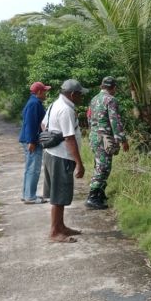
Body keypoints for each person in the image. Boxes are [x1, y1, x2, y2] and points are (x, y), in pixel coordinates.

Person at [42, 79, 87, 242]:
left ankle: (61, 226)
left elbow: (43, 125)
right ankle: (54, 232)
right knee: (59, 195)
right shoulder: (66, 110)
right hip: (61, 157)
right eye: (80, 95)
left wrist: (55, 136)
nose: (82, 98)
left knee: (59, 193)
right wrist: (79, 164)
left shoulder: (55, 104)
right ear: (73, 94)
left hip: (51, 153)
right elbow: (70, 138)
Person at [85, 76, 128, 210]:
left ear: (101, 86)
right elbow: (115, 120)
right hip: (104, 138)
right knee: (103, 167)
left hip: (94, 136)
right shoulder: (111, 100)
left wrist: (93, 132)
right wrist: (123, 140)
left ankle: (100, 193)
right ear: (113, 87)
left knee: (99, 165)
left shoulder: (94, 99)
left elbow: (89, 117)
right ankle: (92, 197)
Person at [18, 81, 51, 204]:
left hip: (29, 140)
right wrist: (31, 141)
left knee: (29, 168)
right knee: (34, 168)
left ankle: (26, 194)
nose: (46, 94)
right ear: (39, 92)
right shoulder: (34, 104)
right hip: (32, 141)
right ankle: (30, 197)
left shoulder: (34, 102)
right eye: (44, 91)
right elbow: (31, 124)